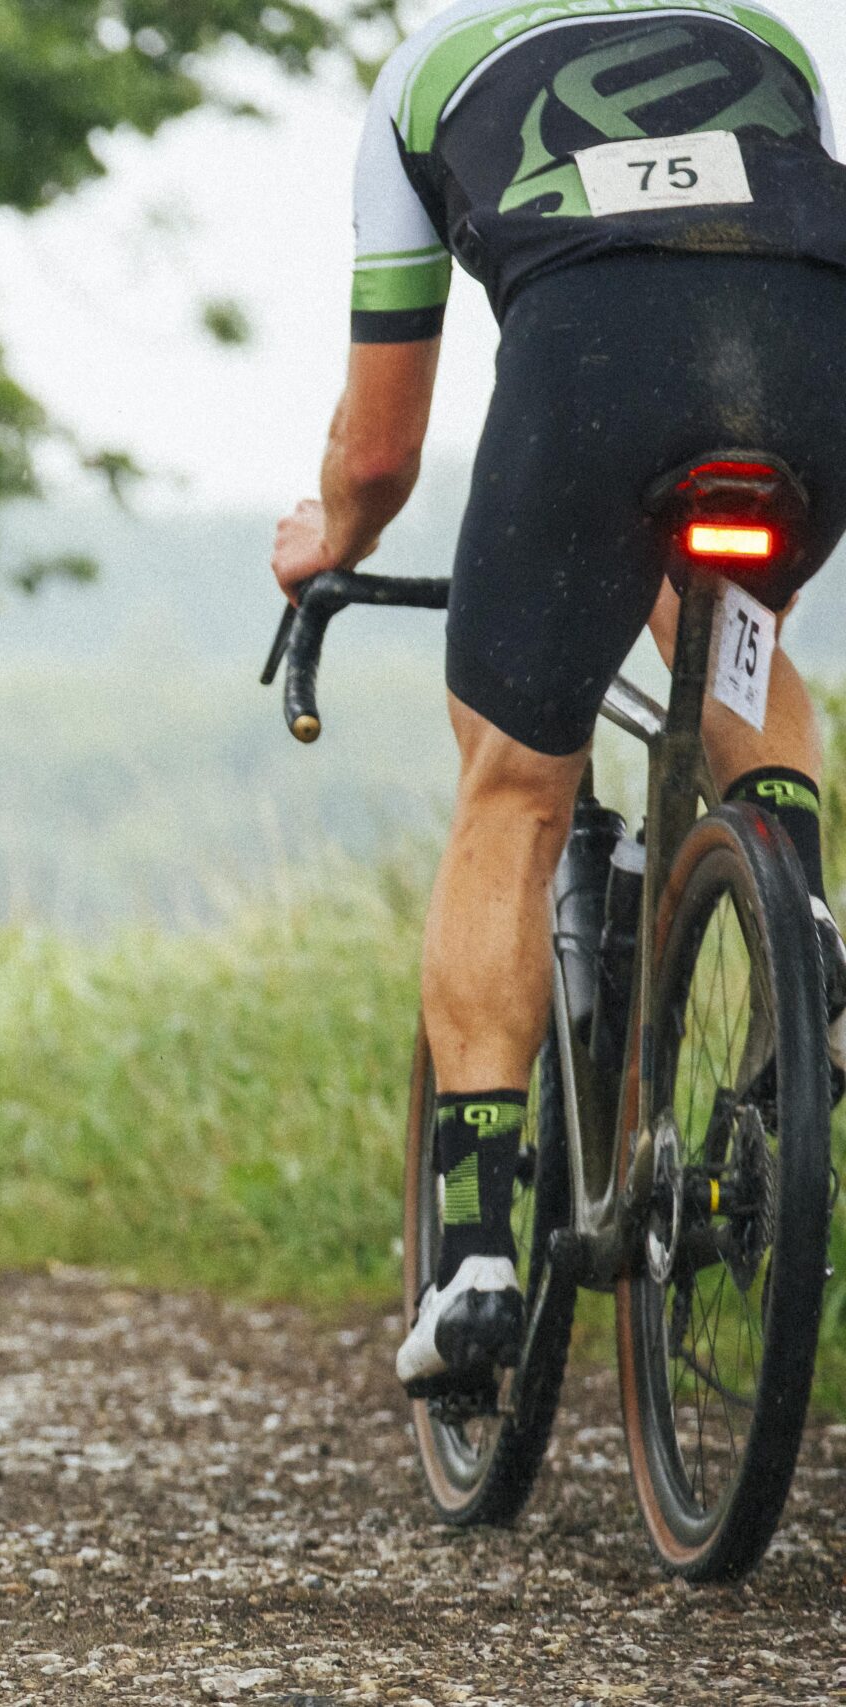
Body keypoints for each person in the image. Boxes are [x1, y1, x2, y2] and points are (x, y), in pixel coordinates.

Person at [270, 0, 846, 1398]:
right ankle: (809, 949)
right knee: (728, 619)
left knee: (517, 783)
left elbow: (380, 451)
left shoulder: (421, 76)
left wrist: (329, 539)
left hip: (598, 359)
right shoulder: (762, 35)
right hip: (817, 345)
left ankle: (473, 1261)